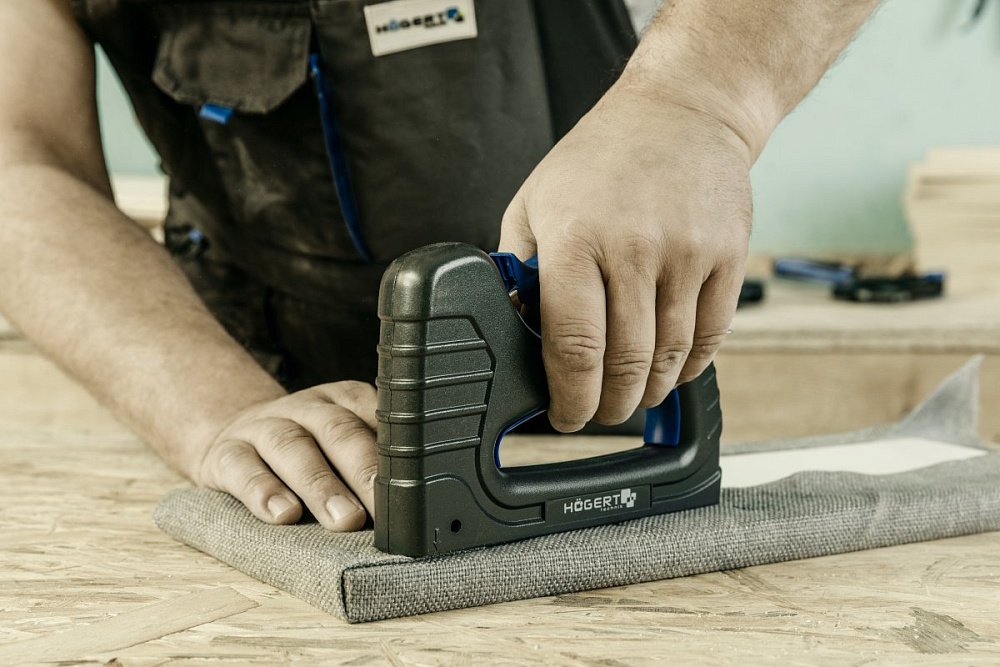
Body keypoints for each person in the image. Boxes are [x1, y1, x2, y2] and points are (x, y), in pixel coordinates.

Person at [0, 0, 880, 531]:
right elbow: (20, 161)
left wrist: (699, 98)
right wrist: (216, 409)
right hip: (282, 416)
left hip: (612, 390)